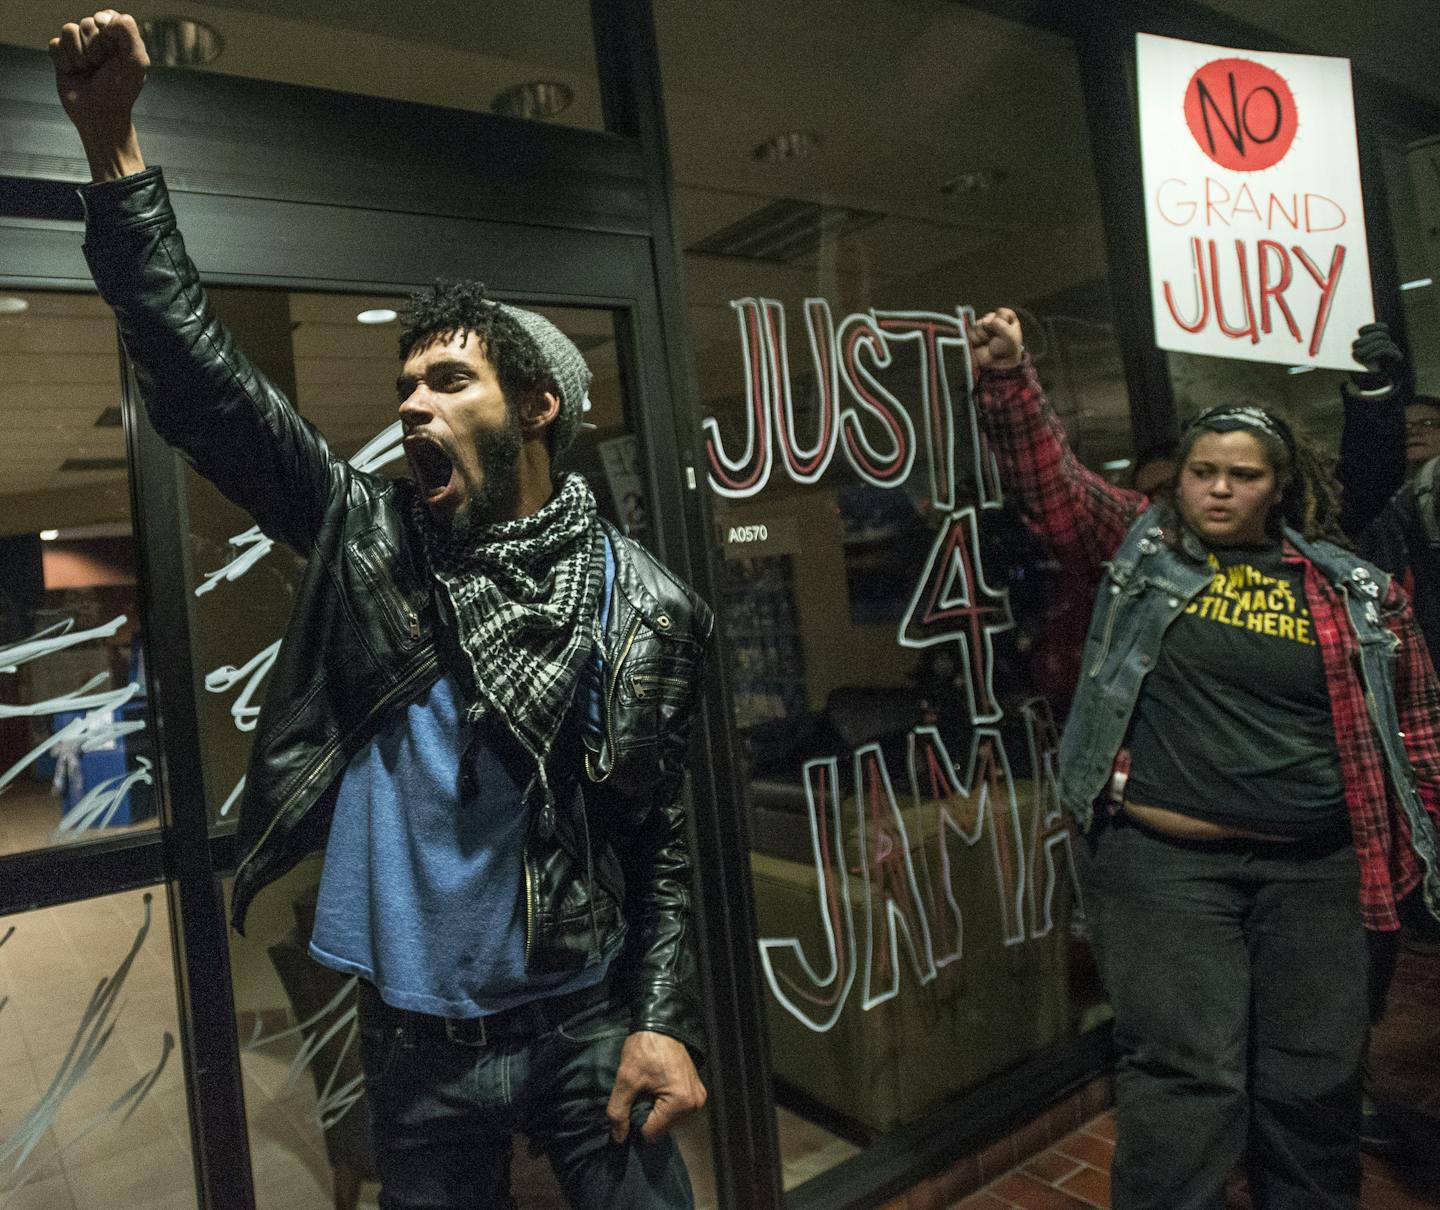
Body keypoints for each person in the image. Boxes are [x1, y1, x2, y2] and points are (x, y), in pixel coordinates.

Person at [52, 11, 712, 1209]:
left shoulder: (642, 604)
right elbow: (206, 390)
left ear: (537, 410)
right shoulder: (371, 537)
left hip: (583, 1022)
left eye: (447, 379)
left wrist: (665, 1022)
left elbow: (659, 837)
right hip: (416, 1049)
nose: (412, 402)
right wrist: (114, 150)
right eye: (404, 383)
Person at [968, 306, 1440, 1210]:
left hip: (1318, 871)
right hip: (1164, 867)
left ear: (1280, 486)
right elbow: (1050, 482)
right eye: (1202, 472)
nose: (1219, 490)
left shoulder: (1350, 590)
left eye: (1243, 475)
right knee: (1191, 1086)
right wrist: (1008, 380)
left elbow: (1418, 738)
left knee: (1314, 1083)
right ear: (1177, 481)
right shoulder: (1143, 549)